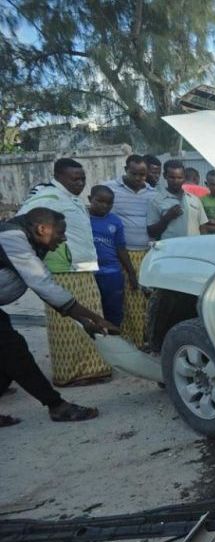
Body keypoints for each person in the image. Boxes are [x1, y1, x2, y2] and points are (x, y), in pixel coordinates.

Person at [1, 208, 119, 426]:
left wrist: (84, 321)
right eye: (60, 233)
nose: (63, 238)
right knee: (13, 350)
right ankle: (56, 406)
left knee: (7, 352)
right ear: (42, 229)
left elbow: (45, 291)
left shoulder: (31, 240)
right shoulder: (12, 238)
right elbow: (42, 284)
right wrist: (96, 317)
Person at [17, 158, 112, 386]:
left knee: (89, 318)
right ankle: (68, 374)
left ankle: (91, 369)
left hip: (83, 267)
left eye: (82, 179)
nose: (80, 183)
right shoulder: (47, 197)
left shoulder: (71, 198)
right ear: (59, 176)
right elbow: (21, 220)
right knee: (67, 323)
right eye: (74, 178)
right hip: (62, 269)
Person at [104, 154, 154, 346]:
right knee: (130, 299)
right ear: (126, 170)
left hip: (148, 253)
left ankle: (146, 338)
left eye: (143, 174)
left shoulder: (152, 193)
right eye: (134, 174)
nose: (139, 178)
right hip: (123, 253)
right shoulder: (110, 189)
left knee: (147, 300)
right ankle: (133, 341)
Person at [89, 185, 138, 327]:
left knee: (114, 311)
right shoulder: (83, 219)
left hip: (112, 273)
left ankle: (114, 340)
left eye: (109, 203)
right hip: (90, 273)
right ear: (90, 199)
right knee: (93, 310)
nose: (104, 205)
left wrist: (131, 273)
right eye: (100, 201)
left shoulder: (115, 221)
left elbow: (121, 248)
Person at [147, 159, 209, 241]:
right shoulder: (156, 200)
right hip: (170, 250)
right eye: (172, 177)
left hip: (193, 250)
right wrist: (167, 218)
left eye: (179, 177)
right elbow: (151, 232)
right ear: (165, 176)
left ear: (184, 177)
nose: (176, 181)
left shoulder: (194, 199)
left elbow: (203, 227)